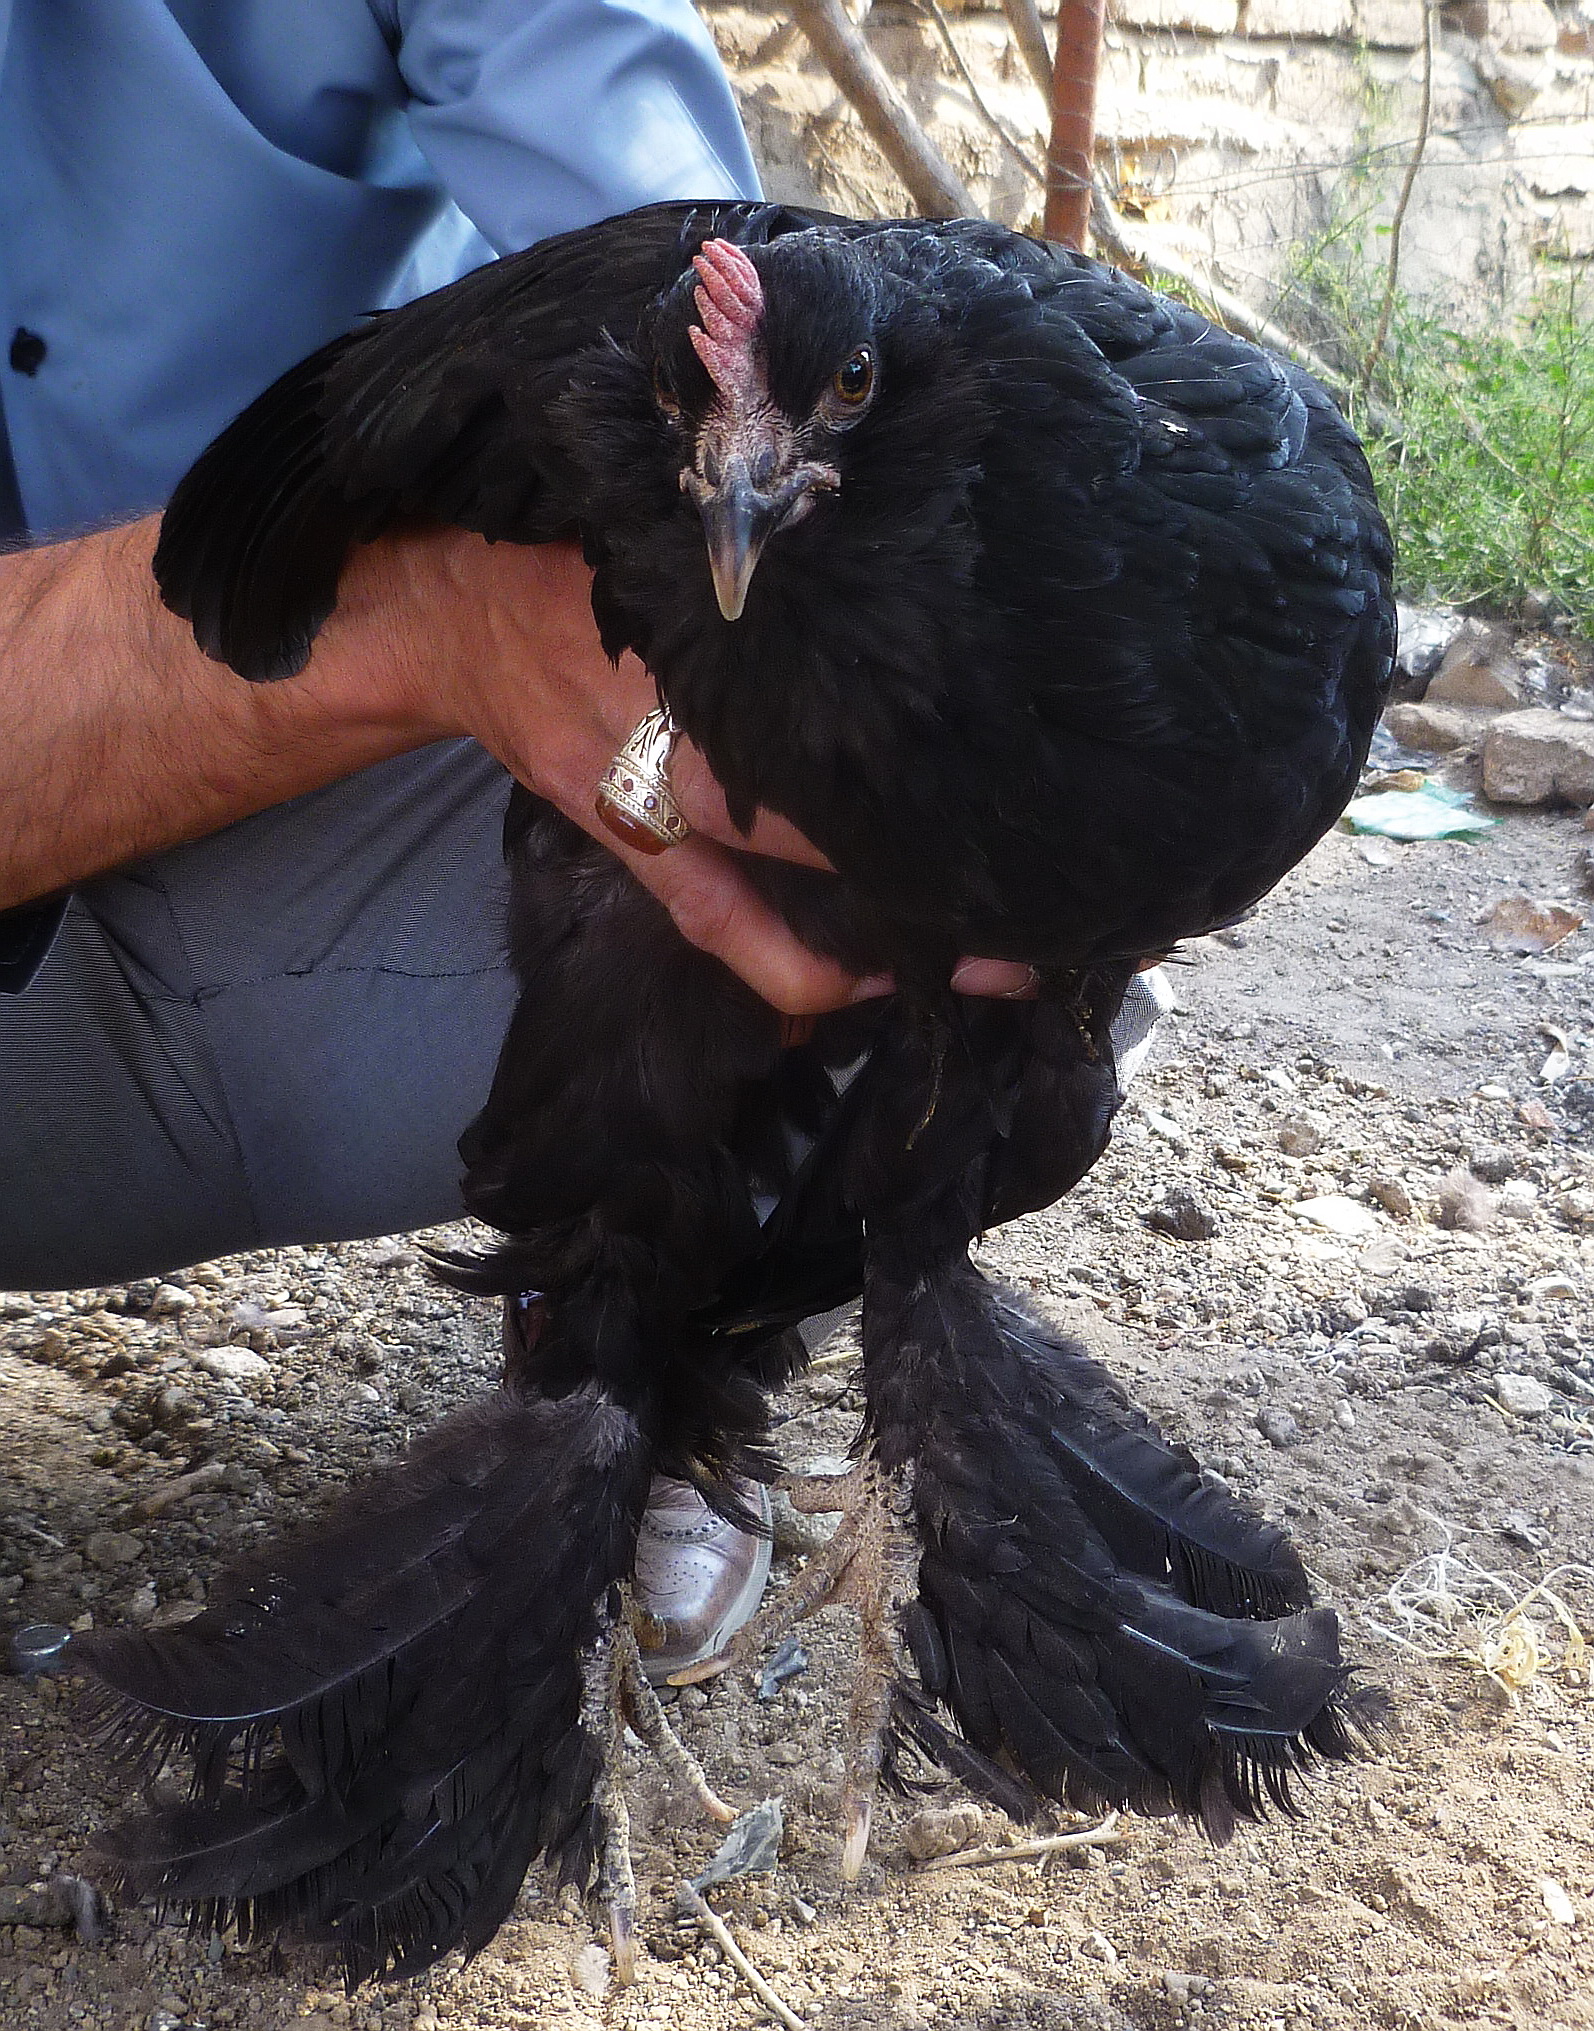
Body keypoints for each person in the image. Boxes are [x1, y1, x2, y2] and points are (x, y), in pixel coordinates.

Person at [0, 0, 1159, 1673]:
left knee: (954, 836)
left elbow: (662, 244)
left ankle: (650, 1353)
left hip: (287, 753)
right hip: (161, 770)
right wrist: (411, 618)